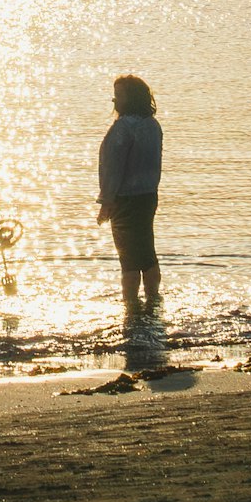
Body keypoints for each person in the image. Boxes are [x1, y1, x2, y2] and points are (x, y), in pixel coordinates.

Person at [95, 74, 164, 329]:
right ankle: (154, 302)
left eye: (119, 95)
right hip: (148, 196)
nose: (114, 99)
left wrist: (107, 201)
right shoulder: (152, 125)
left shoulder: (123, 128)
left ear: (130, 98)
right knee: (147, 252)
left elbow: (113, 168)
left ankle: (131, 308)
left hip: (124, 198)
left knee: (128, 258)